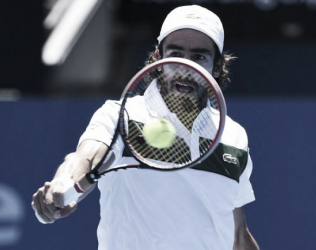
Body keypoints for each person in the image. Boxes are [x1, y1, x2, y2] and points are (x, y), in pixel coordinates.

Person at [32, 5, 259, 250]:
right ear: (159, 58)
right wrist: (63, 182)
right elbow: (85, 157)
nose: (185, 67)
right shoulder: (121, 116)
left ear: (216, 66)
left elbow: (236, 231)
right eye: (176, 54)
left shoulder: (233, 136)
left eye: (199, 57)